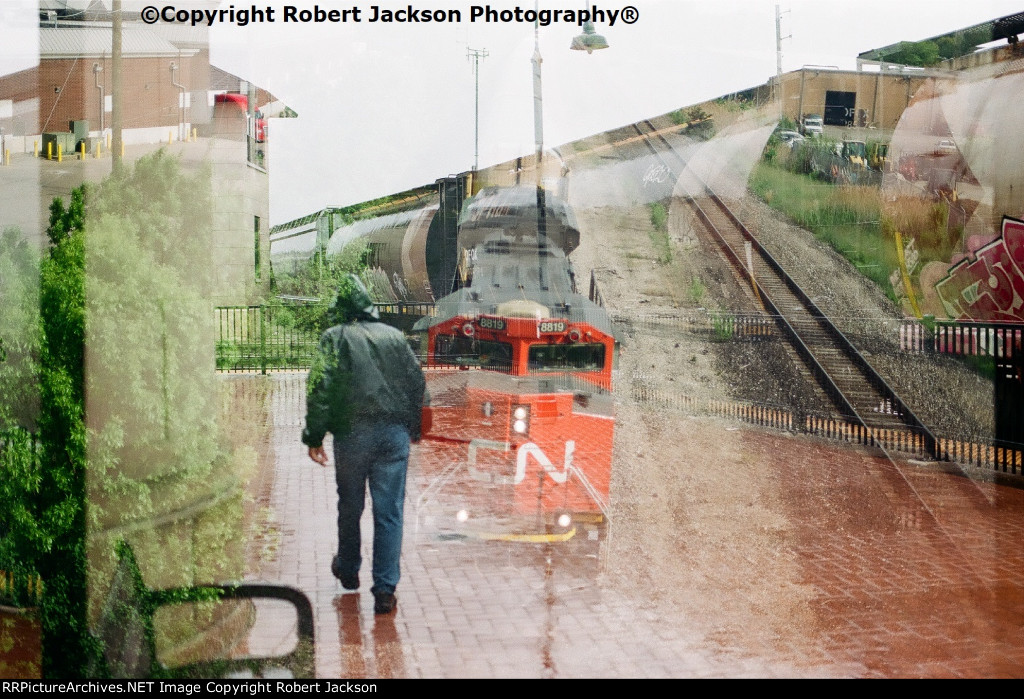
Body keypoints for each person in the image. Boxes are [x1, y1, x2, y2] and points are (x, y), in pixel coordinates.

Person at [302, 274, 427, 614]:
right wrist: (413, 428)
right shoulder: (394, 337)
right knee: (389, 513)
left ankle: (348, 569)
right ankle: (385, 590)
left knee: (351, 506)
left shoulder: (334, 337)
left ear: (340, 309)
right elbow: (417, 383)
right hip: (393, 436)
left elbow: (320, 387)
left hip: (352, 435)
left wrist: (314, 436)